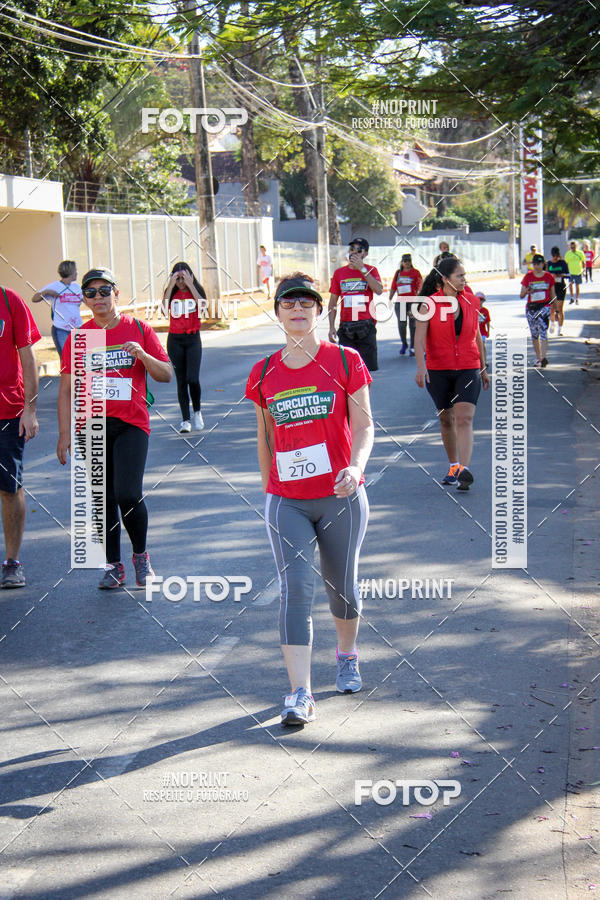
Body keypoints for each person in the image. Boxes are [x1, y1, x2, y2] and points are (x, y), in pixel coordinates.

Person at [246, 273, 374, 726]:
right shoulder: (263, 372)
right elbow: (264, 438)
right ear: (278, 311)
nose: (297, 309)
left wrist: (355, 469)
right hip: (288, 501)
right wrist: (271, 491)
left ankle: (347, 654)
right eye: (288, 303)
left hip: (341, 496)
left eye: (307, 302)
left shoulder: (345, 361)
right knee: (294, 590)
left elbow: (363, 427)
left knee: (342, 587)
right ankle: (300, 693)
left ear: (320, 310)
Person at [57, 268, 172, 590]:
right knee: (102, 499)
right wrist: (65, 434)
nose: (98, 298)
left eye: (104, 290)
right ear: (84, 299)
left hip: (130, 423)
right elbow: (66, 390)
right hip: (90, 426)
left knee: (127, 493)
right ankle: (113, 565)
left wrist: (143, 354)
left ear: (116, 293)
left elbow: (165, 375)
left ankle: (140, 556)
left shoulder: (137, 328)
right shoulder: (80, 338)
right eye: (91, 293)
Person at [414, 257, 489, 491]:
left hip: (468, 366)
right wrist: (420, 366)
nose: (464, 280)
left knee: (465, 418)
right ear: (445, 279)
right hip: (438, 370)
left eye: (465, 276)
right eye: (460, 276)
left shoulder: (472, 301)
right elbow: (419, 338)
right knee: (447, 420)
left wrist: (484, 368)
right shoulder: (429, 305)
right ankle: (454, 466)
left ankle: (465, 470)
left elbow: (477, 337)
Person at [0, 285, 40, 587]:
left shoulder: (9, 300)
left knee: (9, 488)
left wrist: (30, 410)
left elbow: (28, 359)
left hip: (6, 411)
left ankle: (12, 562)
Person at [162, 262, 206, 433]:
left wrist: (190, 284)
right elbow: (164, 310)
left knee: (192, 378)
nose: (181, 282)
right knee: (181, 381)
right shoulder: (171, 293)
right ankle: (185, 420)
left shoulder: (196, 291)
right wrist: (172, 284)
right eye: (177, 278)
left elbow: (202, 307)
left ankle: (197, 412)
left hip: (193, 339)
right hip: (175, 340)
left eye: (183, 278)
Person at [328, 237, 383, 372]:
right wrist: (331, 327)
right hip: (346, 326)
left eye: (359, 250)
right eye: (351, 249)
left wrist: (362, 269)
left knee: (366, 370)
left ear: (365, 254)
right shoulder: (339, 273)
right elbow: (333, 302)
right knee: (347, 370)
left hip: (366, 324)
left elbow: (379, 290)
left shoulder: (371, 270)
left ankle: (366, 394)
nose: (354, 252)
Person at [31, 260, 83, 357]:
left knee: (80, 359)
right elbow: (34, 299)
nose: (77, 273)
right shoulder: (55, 286)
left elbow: (88, 302)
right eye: (75, 270)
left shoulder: (77, 287)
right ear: (70, 272)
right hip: (61, 329)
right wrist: (46, 292)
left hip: (78, 328)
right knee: (66, 359)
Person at [520, 253, 556, 367]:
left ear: (543, 264)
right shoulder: (528, 277)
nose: (536, 266)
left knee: (543, 332)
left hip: (544, 307)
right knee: (535, 334)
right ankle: (539, 357)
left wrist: (556, 311)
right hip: (531, 309)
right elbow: (521, 295)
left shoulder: (549, 277)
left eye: (538, 264)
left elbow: (552, 294)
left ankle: (544, 357)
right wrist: (527, 291)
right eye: (534, 264)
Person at [389, 253, 422, 356]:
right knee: (402, 324)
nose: (407, 263)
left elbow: (420, 286)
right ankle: (404, 343)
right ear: (402, 262)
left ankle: (413, 346)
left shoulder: (415, 272)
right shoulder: (398, 273)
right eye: (405, 261)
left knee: (413, 325)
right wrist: (390, 298)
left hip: (412, 301)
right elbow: (394, 286)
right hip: (401, 302)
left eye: (409, 261)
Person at [546, 247, 569, 336]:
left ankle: (560, 329)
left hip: (560, 287)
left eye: (556, 256)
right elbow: (545, 275)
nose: (555, 258)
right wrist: (551, 276)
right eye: (554, 256)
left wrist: (559, 275)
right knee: (552, 308)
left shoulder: (562, 263)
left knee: (560, 308)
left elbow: (568, 274)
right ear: (551, 255)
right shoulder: (548, 263)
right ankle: (552, 323)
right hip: (552, 288)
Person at [565, 240, 586, 304]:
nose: (573, 248)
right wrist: (566, 272)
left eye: (574, 247)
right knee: (570, 285)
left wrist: (584, 270)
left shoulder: (580, 253)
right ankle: (572, 298)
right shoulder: (568, 254)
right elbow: (566, 263)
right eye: (571, 247)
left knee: (577, 285)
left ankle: (577, 298)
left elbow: (583, 262)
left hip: (578, 272)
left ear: (576, 246)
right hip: (571, 272)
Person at [475, 291, 491, 365]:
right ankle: (478, 360)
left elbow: (488, 322)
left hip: (483, 331)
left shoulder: (485, 311)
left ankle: (484, 361)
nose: (479, 301)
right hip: (475, 331)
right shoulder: (474, 310)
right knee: (476, 346)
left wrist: (488, 331)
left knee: (483, 344)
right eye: (478, 299)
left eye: (481, 300)